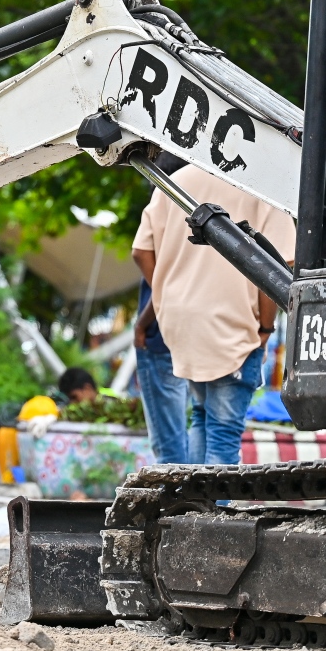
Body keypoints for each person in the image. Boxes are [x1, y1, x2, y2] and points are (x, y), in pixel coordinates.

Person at [132, 165, 295, 466]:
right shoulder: (266, 184)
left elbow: (141, 251)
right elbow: (278, 267)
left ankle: (194, 506)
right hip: (232, 326)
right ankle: (211, 512)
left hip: (181, 324)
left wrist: (165, 294)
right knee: (223, 432)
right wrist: (265, 329)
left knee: (202, 417)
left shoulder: (175, 181)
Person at [130, 152, 189, 464]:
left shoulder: (163, 207)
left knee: (168, 442)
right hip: (197, 331)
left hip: (161, 333)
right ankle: (204, 503)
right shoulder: (205, 215)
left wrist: (141, 324)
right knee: (202, 427)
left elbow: (142, 255)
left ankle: (178, 504)